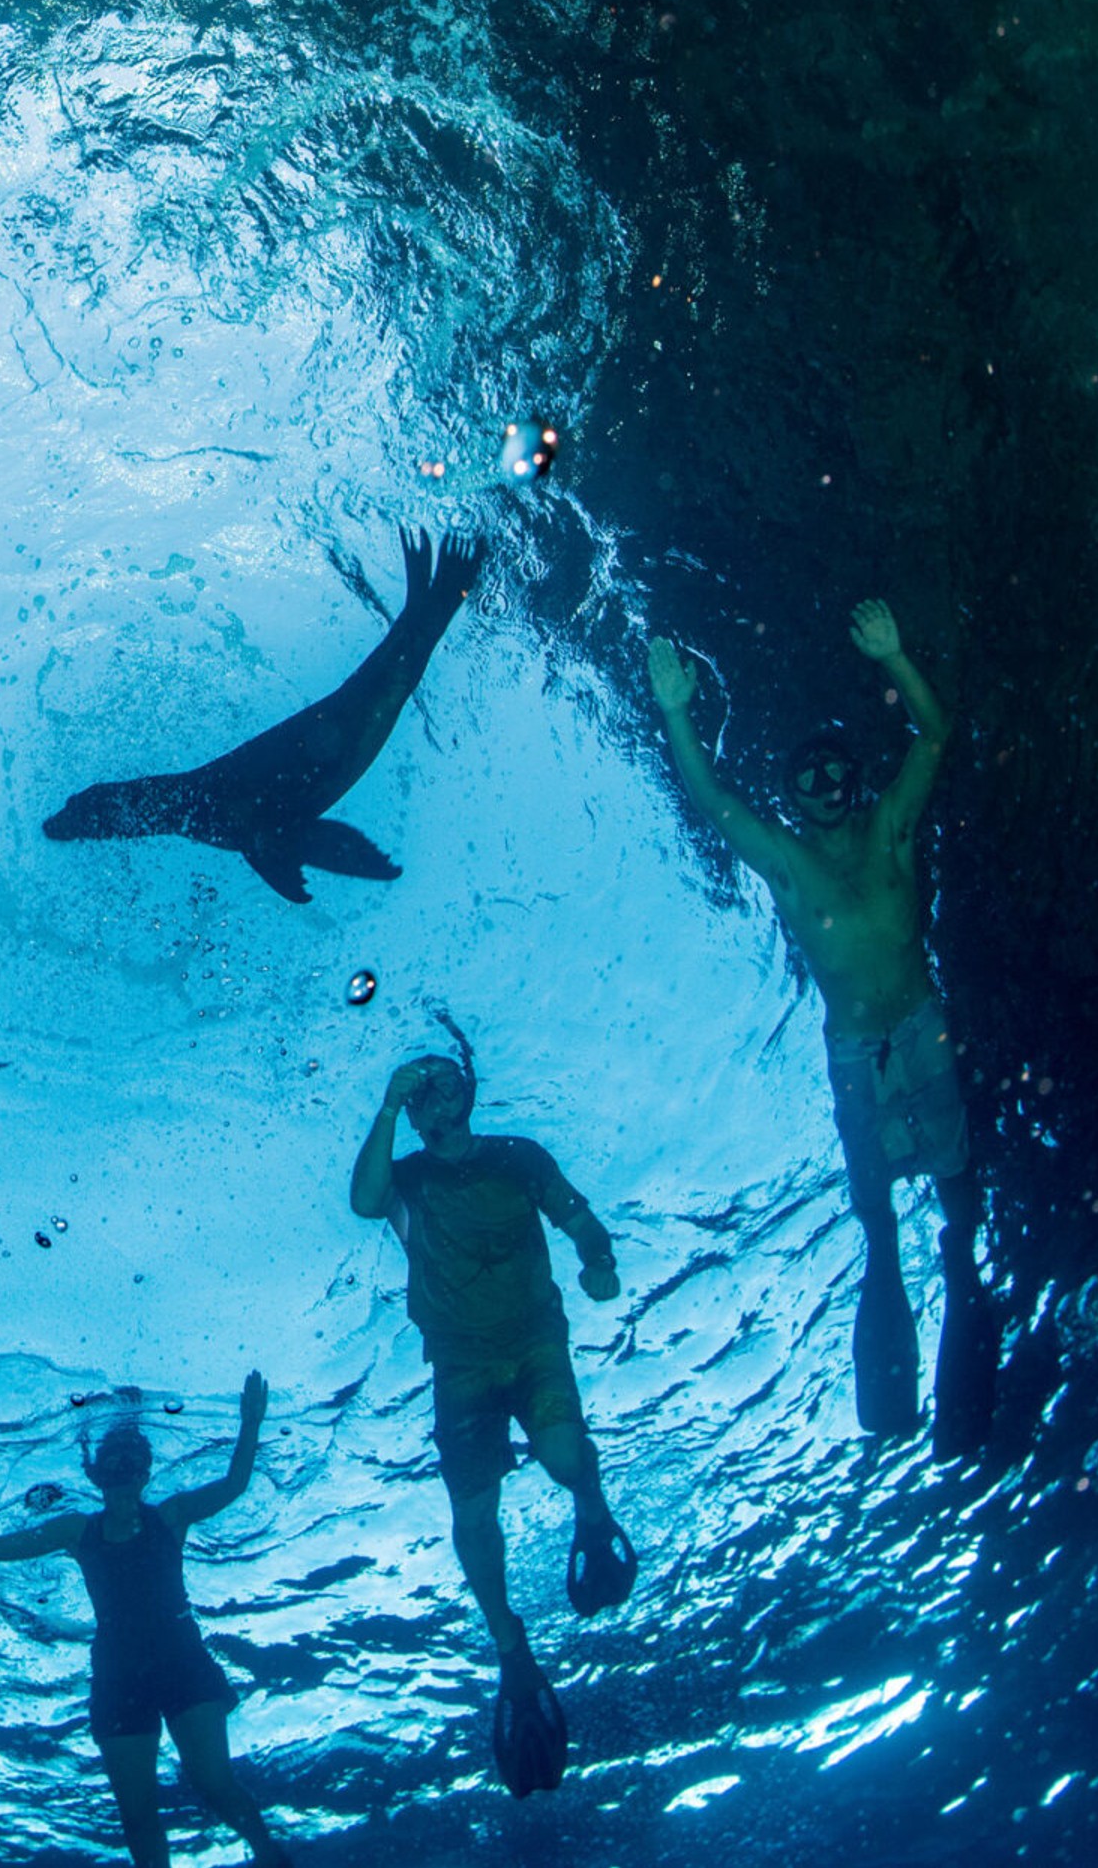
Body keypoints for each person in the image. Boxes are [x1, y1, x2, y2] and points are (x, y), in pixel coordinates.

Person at [644, 598, 992, 1450]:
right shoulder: (789, 866)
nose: (826, 790)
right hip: (855, 1053)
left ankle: (959, 1260)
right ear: (794, 802)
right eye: (808, 782)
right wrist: (677, 712)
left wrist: (895, 657)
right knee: (875, 1214)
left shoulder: (892, 832)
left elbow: (936, 737)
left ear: (854, 778)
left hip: (921, 1024)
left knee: (955, 1185)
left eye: (836, 773)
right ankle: (895, 1278)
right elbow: (714, 800)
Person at [344, 1035, 632, 1798]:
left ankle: (590, 1506)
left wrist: (598, 1258)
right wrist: (382, 1102)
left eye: (444, 1079)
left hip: (536, 1340)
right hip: (461, 1365)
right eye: (420, 1089)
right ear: (411, 1112)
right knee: (474, 1514)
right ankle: (512, 1648)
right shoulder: (404, 1177)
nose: (434, 1093)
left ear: (469, 1087)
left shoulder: (517, 1155)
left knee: (566, 1455)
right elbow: (364, 1201)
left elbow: (576, 1214)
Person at [0, 1377, 297, 1868]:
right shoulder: (77, 1531)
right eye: (114, 1467)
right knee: (138, 1816)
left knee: (214, 1785)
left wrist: (250, 1424)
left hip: (183, 1662)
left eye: (132, 1466)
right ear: (98, 1475)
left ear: (145, 1472)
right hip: (120, 1675)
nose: (123, 1477)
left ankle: (274, 1859)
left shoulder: (173, 1515)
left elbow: (234, 1485)